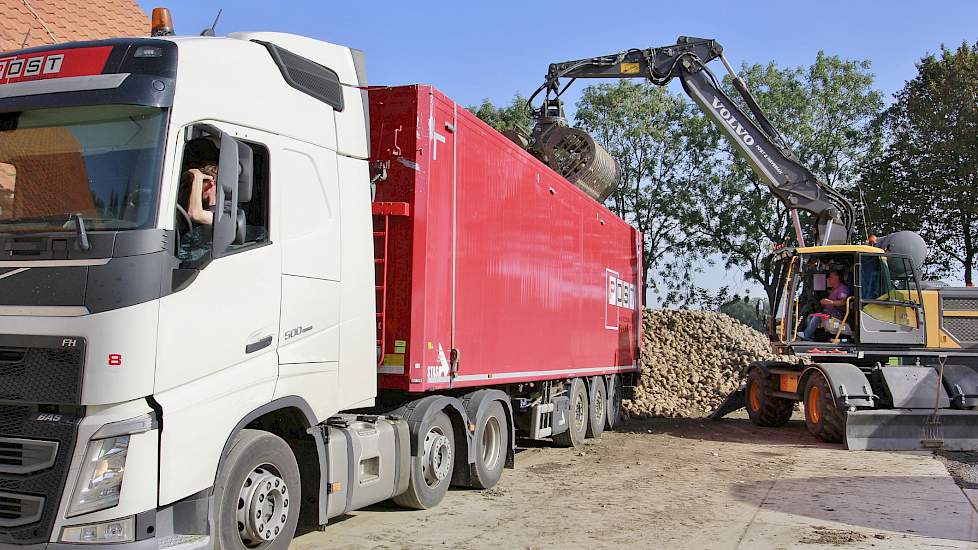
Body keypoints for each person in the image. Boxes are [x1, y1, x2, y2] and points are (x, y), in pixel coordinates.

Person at [799, 270, 850, 340]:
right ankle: (811, 335)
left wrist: (830, 302)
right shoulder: (833, 289)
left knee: (817, 317)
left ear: (836, 278)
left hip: (836, 315)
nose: (828, 279)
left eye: (831, 277)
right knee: (811, 315)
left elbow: (843, 302)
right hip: (829, 313)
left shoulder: (842, 288)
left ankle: (806, 335)